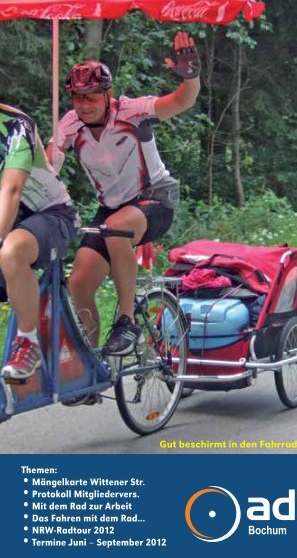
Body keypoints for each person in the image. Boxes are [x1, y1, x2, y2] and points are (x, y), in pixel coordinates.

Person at [46, 31, 200, 357]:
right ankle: (89, 365)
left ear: (108, 94)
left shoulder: (133, 111)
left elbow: (181, 101)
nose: (84, 105)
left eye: (92, 97)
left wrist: (191, 78)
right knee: (80, 282)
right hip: (111, 208)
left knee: (116, 229)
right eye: (77, 97)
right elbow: (48, 167)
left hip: (155, 199)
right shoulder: (70, 125)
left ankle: (127, 322)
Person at [0, 103, 79, 382]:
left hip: (51, 214)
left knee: (11, 250)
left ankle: (27, 342)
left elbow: (11, 190)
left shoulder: (15, 125)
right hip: (11, 217)